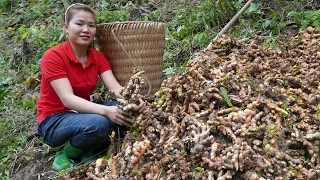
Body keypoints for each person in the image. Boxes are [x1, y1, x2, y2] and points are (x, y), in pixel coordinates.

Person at [36, 3, 145, 171]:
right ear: (66, 27)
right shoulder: (53, 56)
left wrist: (132, 100)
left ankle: (88, 148)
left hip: (83, 114)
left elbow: (115, 88)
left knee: (125, 111)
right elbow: (68, 99)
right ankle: (65, 153)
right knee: (99, 122)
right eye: (79, 24)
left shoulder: (97, 57)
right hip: (54, 121)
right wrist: (105, 111)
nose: (86, 29)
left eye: (91, 25)